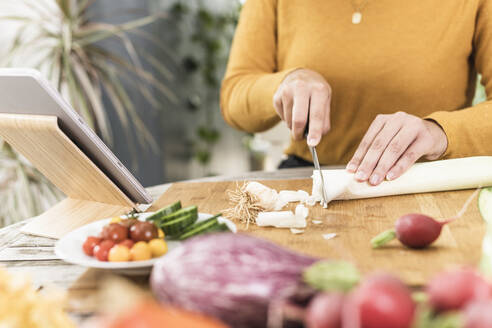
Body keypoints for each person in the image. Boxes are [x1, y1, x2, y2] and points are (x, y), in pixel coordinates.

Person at [220, 0, 492, 186]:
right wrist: (285, 82)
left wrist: (440, 132)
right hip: (311, 175)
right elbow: (235, 94)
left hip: (430, 181)